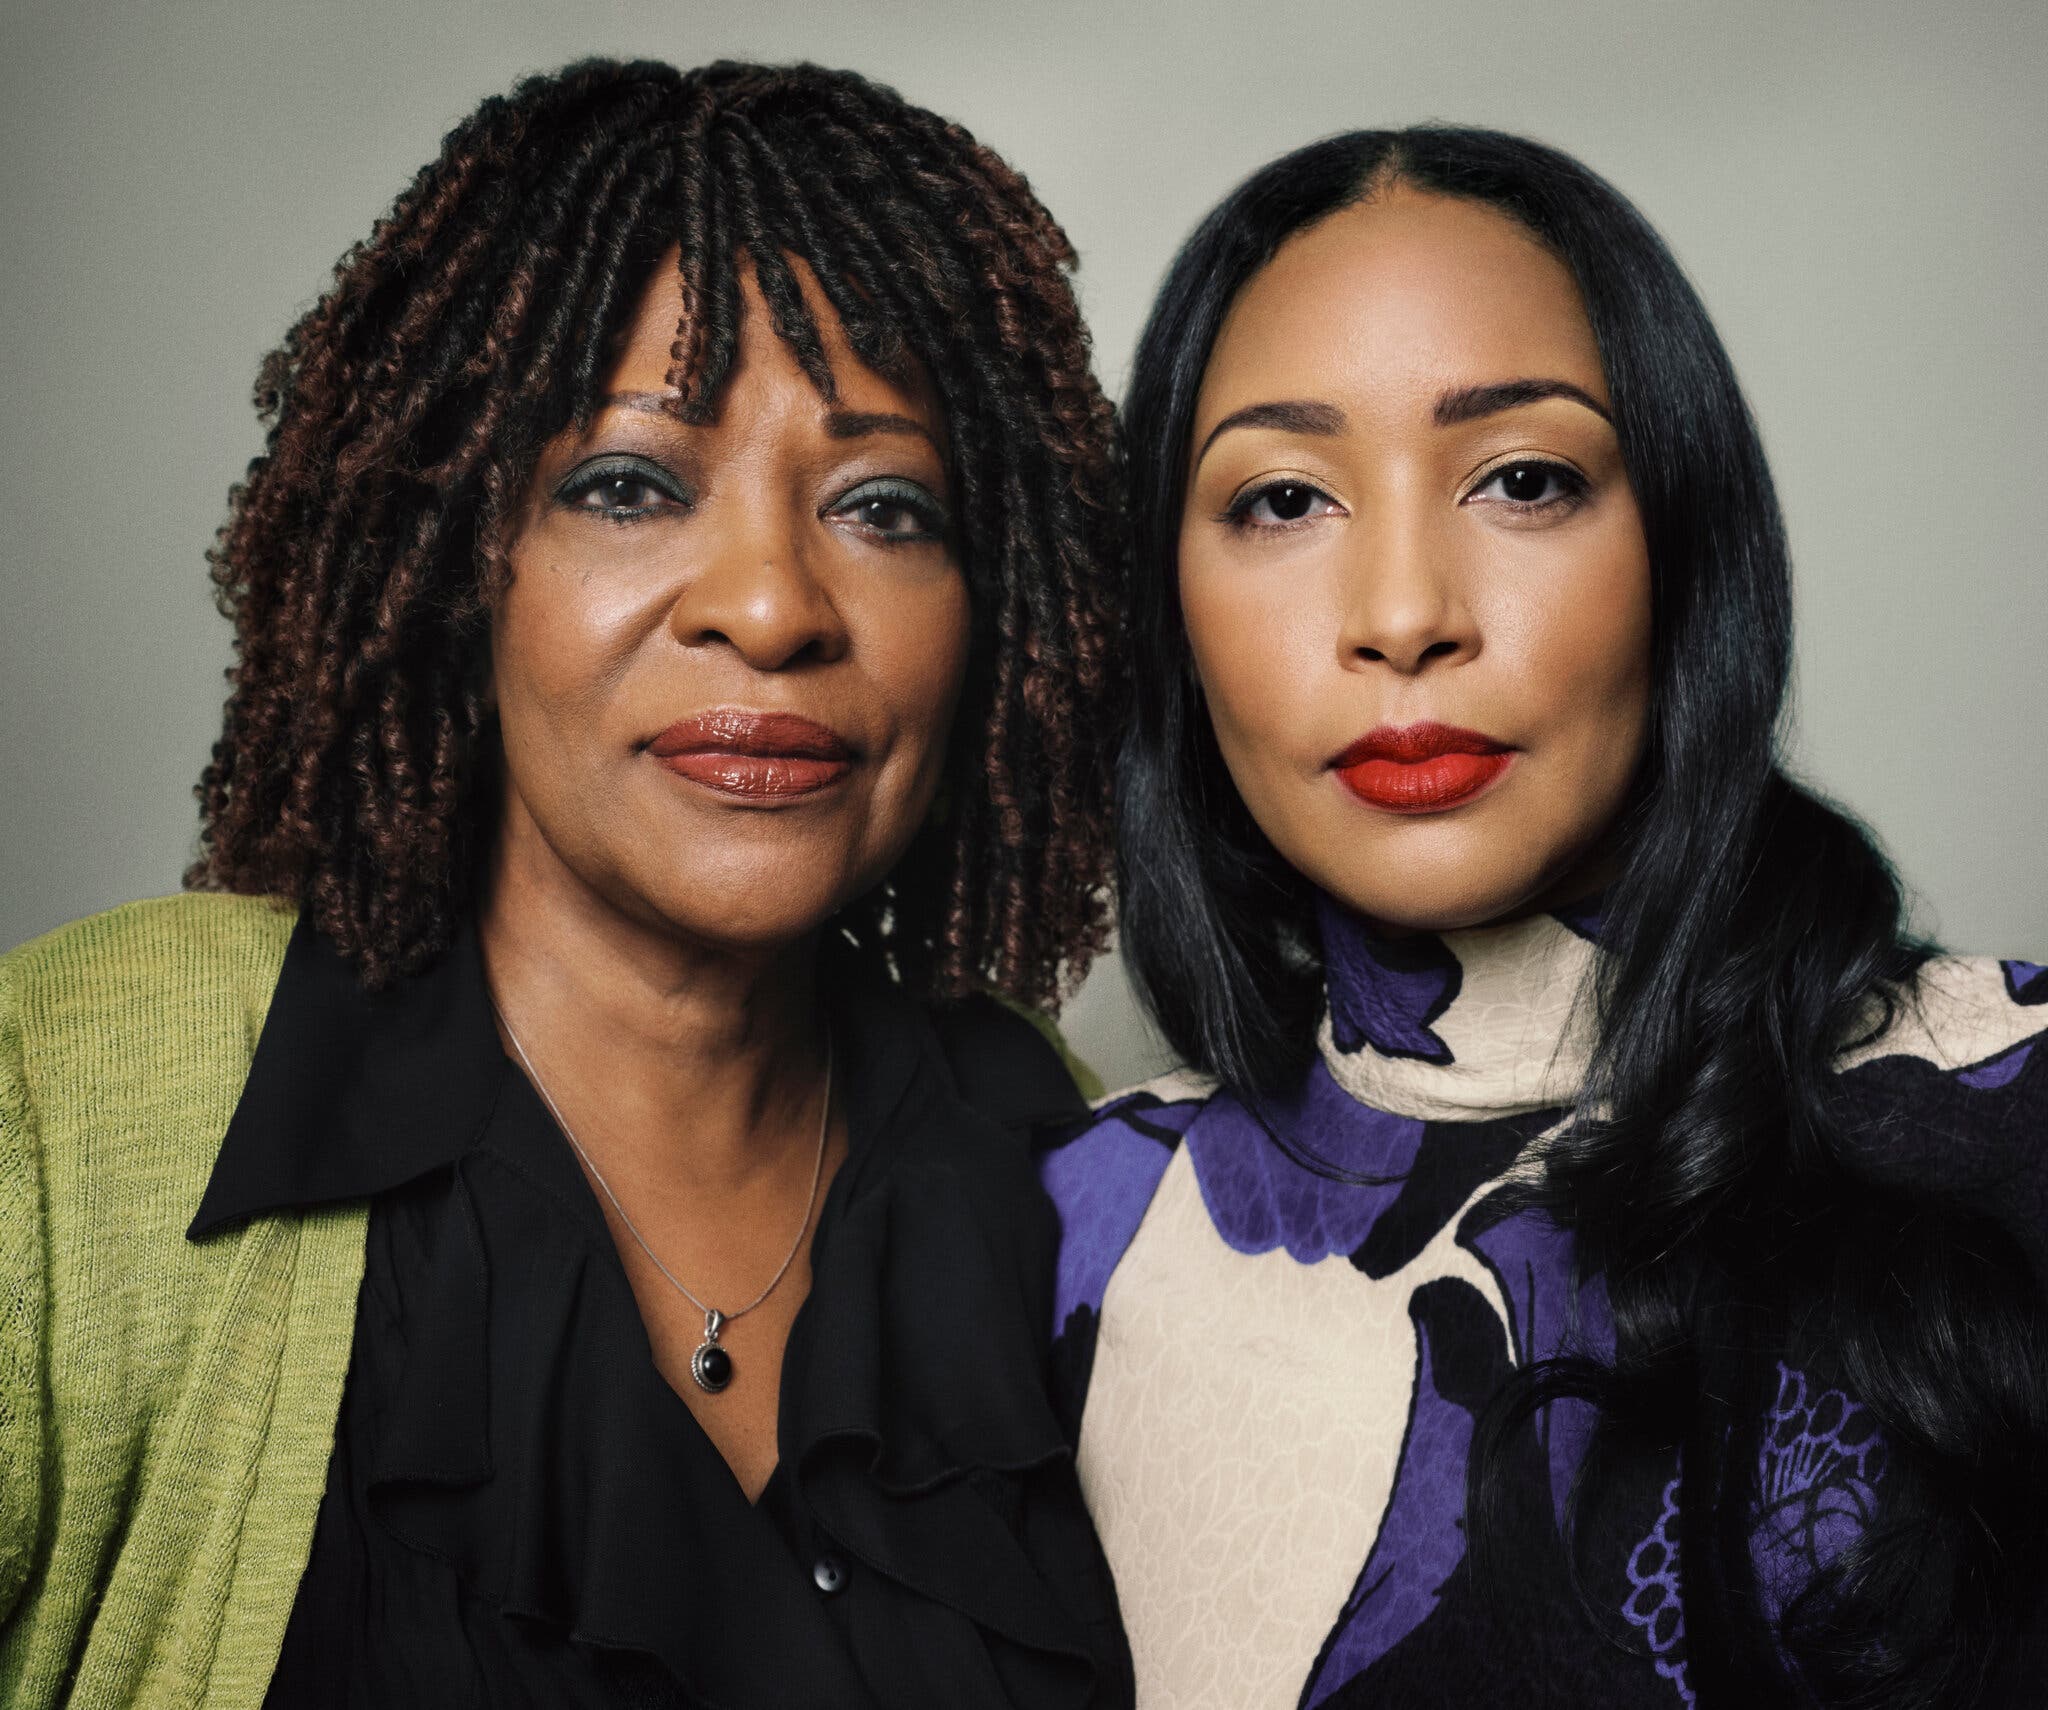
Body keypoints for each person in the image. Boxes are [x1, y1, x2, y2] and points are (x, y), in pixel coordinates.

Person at [0, 58, 1134, 1709]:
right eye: (628, 484)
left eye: (884, 506)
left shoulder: (1068, 1168)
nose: (770, 605)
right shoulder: (78, 1093)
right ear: (461, 567)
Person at [1040, 128, 2048, 1707]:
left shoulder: (2016, 1100)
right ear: (1171, 612)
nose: (1403, 615)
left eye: (1523, 478)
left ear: (1684, 545)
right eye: (1285, 498)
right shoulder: (1086, 1231)